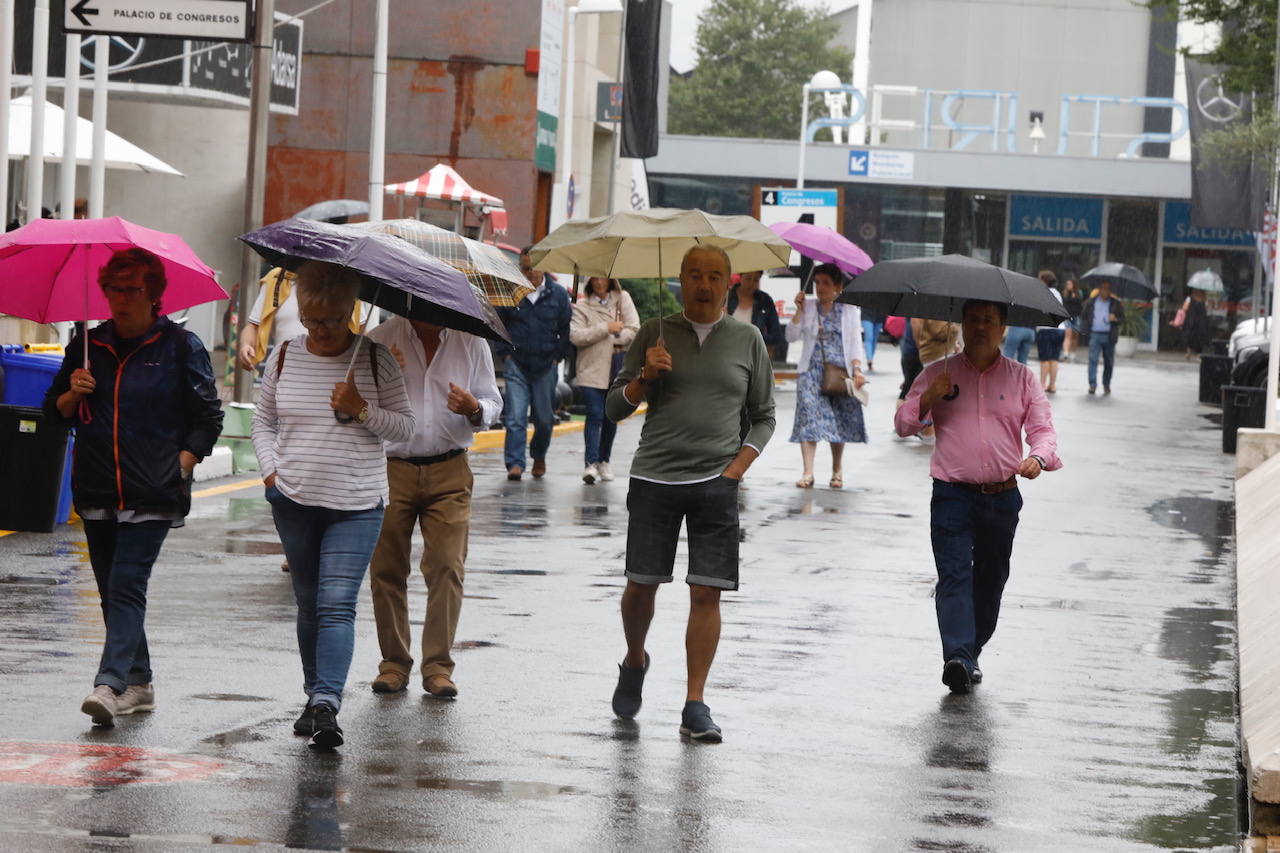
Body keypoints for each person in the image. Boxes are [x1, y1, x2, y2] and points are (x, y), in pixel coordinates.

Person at [43, 248, 224, 727]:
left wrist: (180, 466)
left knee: (127, 583)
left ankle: (110, 683)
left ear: (154, 295)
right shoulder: (87, 345)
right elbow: (51, 413)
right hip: (98, 485)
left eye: (132, 291)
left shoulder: (181, 347)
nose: (120, 300)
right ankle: (140, 682)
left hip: (154, 492)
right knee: (110, 589)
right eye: (113, 290)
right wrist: (71, 392)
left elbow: (208, 417)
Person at [606, 246, 775, 743]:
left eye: (714, 276)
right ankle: (635, 659)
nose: (704, 284)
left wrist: (735, 471)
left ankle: (694, 703)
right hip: (654, 478)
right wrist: (643, 378)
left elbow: (764, 415)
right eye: (695, 275)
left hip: (715, 484)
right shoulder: (653, 334)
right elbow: (614, 409)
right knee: (642, 584)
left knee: (707, 591)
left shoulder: (748, 339)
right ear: (680, 279)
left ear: (730, 283)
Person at [251, 261, 415, 749]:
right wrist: (269, 473)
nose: (316, 329)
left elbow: (405, 429)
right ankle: (312, 694)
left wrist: (360, 408)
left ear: (351, 311)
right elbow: (263, 422)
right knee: (307, 605)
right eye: (309, 317)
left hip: (356, 503)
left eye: (327, 319)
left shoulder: (374, 360)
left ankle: (326, 701)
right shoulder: (283, 356)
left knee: (336, 604)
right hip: (294, 499)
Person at [894, 300, 1061, 694]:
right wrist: (928, 398)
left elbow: (1044, 431)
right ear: (963, 325)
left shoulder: (1021, 379)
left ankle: (971, 650)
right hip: (951, 495)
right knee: (954, 575)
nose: (981, 326)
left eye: (989, 320)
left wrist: (1038, 457)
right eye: (973, 319)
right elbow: (902, 424)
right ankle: (956, 656)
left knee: (991, 579)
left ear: (1003, 327)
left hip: (1001, 497)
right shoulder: (939, 373)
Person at [365, 316, 502, 699]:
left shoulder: (471, 341)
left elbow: (492, 402)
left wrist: (475, 407)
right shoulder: (379, 340)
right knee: (387, 569)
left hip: (450, 468)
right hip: (391, 467)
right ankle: (393, 663)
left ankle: (438, 667)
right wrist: (379, 374)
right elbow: (355, 404)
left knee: (447, 566)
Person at [786, 263, 868, 489]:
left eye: (826, 283)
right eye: (817, 282)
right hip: (811, 371)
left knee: (837, 420)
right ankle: (808, 472)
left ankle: (837, 469)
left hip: (839, 371)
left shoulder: (849, 309)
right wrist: (799, 311)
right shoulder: (809, 306)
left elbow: (855, 342)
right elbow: (791, 336)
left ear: (838, 287)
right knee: (808, 418)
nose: (820, 288)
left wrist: (858, 369)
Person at [495, 249, 572, 480]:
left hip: (546, 365)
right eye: (526, 268)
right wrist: (505, 354)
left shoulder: (558, 294)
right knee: (516, 418)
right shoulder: (512, 291)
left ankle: (539, 456)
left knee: (544, 420)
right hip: (516, 364)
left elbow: (565, 329)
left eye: (535, 267)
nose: (531, 273)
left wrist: (558, 357)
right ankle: (515, 464)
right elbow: (498, 323)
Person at [570, 276, 640, 483]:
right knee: (594, 414)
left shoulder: (622, 298)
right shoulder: (583, 305)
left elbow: (634, 328)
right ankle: (590, 463)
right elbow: (576, 336)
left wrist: (617, 338)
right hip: (590, 369)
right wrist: (606, 329)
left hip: (617, 368)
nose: (599, 282)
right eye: (595, 278)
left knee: (611, 416)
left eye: (603, 278)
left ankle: (604, 461)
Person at [1079, 279, 1125, 395]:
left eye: (1108, 289)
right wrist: (1084, 330)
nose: (1105, 291)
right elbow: (1084, 316)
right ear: (1099, 289)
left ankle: (1106, 384)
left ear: (1110, 291)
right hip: (1094, 334)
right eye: (1103, 288)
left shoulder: (1115, 303)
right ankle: (1092, 384)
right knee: (1093, 360)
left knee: (1108, 361)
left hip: (1109, 336)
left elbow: (1122, 319)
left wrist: (1115, 319)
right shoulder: (1091, 302)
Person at [726, 270, 784, 359]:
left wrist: (755, 338)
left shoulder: (765, 300)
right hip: (727, 356)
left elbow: (776, 336)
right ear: (740, 277)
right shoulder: (726, 297)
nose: (751, 283)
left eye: (756, 280)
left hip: (753, 358)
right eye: (748, 278)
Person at [1034, 270, 1066, 393]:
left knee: (1044, 359)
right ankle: (1052, 385)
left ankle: (1042, 385)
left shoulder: (1043, 293)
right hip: (1059, 329)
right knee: (1054, 358)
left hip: (1046, 329)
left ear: (1045, 280)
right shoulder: (1057, 293)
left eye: (1040, 279)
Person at [1182, 288, 1210, 360]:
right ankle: (1198, 355)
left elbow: (1184, 308)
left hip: (1191, 320)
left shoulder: (1189, 298)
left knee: (1189, 336)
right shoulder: (1204, 300)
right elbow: (1206, 310)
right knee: (1200, 338)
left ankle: (1188, 352)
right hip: (1201, 322)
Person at [1060, 277, 1084, 361]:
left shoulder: (1079, 293)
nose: (1068, 286)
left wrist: (1075, 297)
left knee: (1075, 336)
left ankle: (1072, 352)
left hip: (1076, 316)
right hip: (1067, 317)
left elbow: (1080, 305)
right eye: (1067, 284)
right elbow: (1064, 303)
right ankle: (1066, 353)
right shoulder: (1064, 293)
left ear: (1074, 285)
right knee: (1068, 334)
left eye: (1070, 284)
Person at [861, 307, 886, 372]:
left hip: (879, 316)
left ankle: (871, 358)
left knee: (874, 340)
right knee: (869, 338)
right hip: (866, 315)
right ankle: (869, 360)